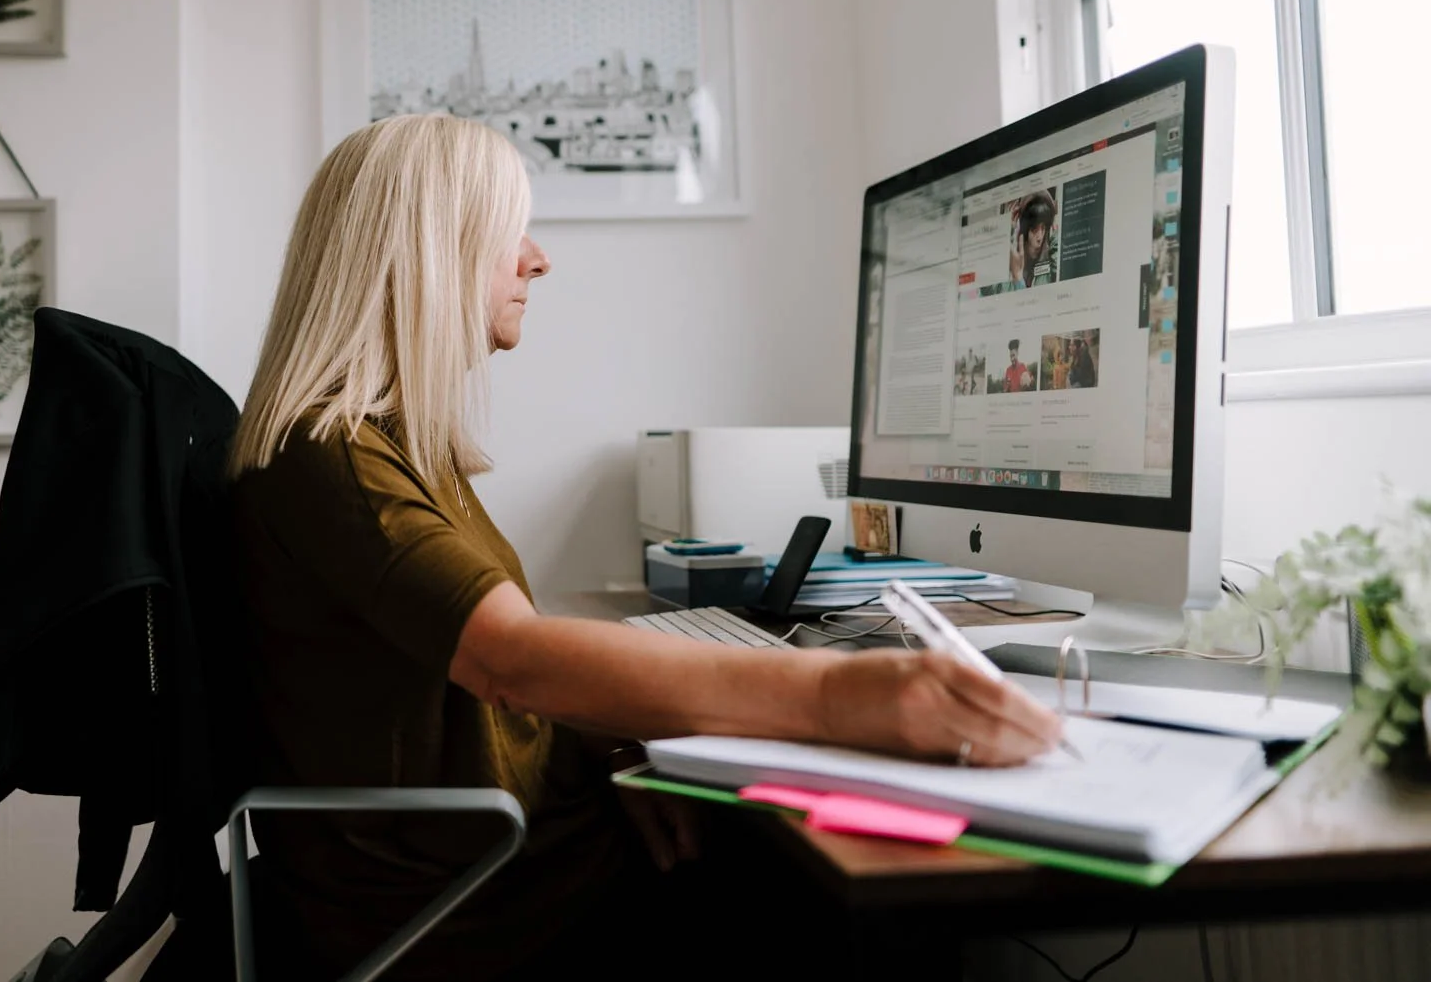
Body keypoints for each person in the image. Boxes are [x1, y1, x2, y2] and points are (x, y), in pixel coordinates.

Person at [229, 115, 1059, 979]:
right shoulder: (331, 460)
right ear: (433, 252)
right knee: (871, 892)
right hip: (483, 907)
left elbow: (464, 694)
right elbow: (509, 658)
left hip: (524, 854)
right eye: (508, 230)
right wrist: (850, 693)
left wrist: (607, 743)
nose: (536, 259)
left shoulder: (388, 449)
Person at [1009, 191, 1058, 289]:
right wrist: (1008, 231)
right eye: (1034, 229)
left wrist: (1055, 235)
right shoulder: (1014, 257)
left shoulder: (1051, 258)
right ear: (1026, 229)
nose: (1040, 237)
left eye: (1043, 228)